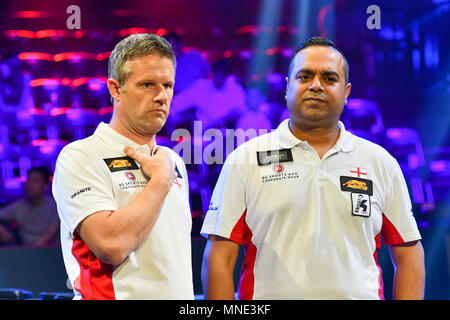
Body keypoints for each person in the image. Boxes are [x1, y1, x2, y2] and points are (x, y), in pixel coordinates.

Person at [200, 37, 425, 300]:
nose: (316, 85)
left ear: (346, 92)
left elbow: (408, 252)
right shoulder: (245, 160)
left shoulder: (380, 162)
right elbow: (219, 255)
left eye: (329, 78)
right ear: (287, 87)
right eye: (305, 76)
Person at [52, 33, 194, 300]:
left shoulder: (172, 161)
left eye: (168, 85)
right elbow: (111, 245)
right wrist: (160, 182)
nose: (161, 96)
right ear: (116, 89)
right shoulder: (80, 156)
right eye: (148, 84)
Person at [0, 166, 59, 247]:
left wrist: (30, 250)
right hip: (25, 253)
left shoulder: (56, 207)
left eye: (35, 181)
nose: (30, 184)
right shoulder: (18, 207)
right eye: (28, 180)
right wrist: (2, 230)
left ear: (46, 185)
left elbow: (49, 234)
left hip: (52, 252)